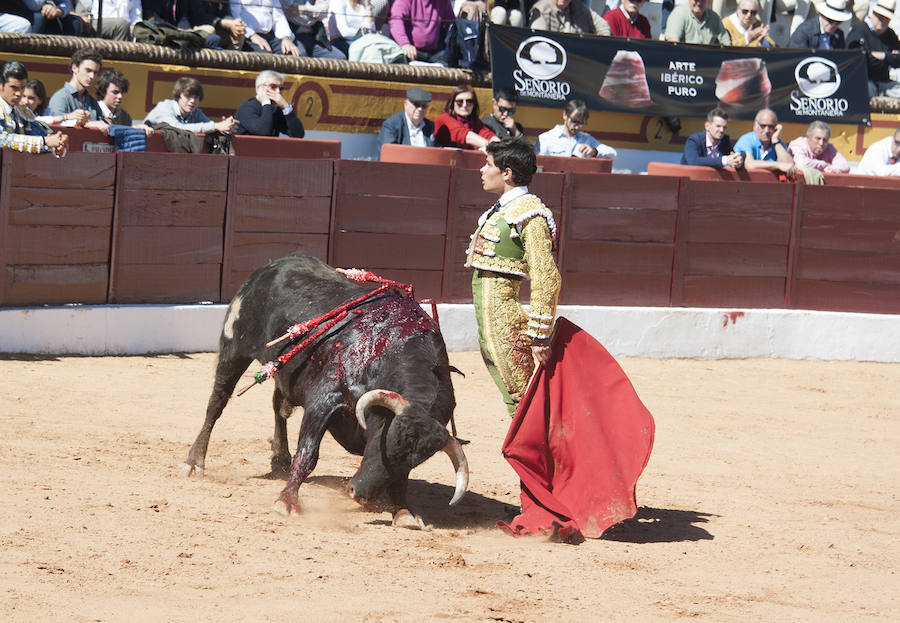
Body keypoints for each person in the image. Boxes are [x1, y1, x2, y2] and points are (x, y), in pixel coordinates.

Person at [464, 138, 560, 416]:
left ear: (507, 173)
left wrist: (540, 336)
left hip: (508, 322)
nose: (482, 170)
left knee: (523, 401)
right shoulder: (503, 210)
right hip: (491, 320)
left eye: (488, 164)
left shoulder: (529, 212)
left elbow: (546, 275)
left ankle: (546, 459)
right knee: (520, 400)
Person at [0, 61, 68, 156]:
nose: (19, 93)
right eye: (14, 88)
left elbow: (40, 135)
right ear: (1, 85)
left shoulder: (22, 111)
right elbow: (2, 139)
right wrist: (44, 141)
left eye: (22, 88)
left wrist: (56, 145)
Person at [47, 47, 109, 135]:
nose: (92, 76)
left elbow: (104, 127)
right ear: (75, 68)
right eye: (88, 70)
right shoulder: (60, 98)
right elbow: (55, 128)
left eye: (95, 72)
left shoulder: (92, 102)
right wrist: (88, 124)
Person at [144, 76, 238, 133]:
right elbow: (177, 128)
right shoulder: (165, 107)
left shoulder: (196, 112)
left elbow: (208, 126)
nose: (192, 101)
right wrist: (216, 126)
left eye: (196, 97)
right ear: (178, 96)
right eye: (188, 96)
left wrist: (226, 127)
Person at [847, 0, 900, 98]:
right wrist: (890, 57)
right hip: (864, 81)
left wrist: (883, 56)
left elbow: (898, 60)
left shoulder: (890, 34)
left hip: (885, 82)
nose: (883, 21)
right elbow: (861, 60)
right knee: (865, 90)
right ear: (874, 13)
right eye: (880, 16)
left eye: (886, 18)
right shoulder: (858, 31)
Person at [143, 0, 245, 49]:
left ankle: (228, 68)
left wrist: (233, 23)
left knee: (238, 32)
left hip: (190, 29)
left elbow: (184, 18)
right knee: (211, 34)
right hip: (164, 32)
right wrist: (179, 31)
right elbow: (153, 18)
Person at [535, 99, 616, 159]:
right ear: (565, 115)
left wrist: (595, 151)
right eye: (574, 121)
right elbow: (539, 167)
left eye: (581, 123)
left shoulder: (587, 139)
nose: (577, 127)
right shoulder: (545, 138)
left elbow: (613, 154)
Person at [235, 70, 305, 138]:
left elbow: (298, 134)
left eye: (281, 88)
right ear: (260, 88)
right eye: (273, 87)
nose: (278, 92)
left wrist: (286, 107)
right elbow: (263, 132)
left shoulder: (276, 110)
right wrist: (266, 102)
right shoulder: (247, 108)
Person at [733, 108, 797, 177]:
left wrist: (775, 141)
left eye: (771, 127)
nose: (766, 130)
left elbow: (789, 165)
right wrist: (778, 165)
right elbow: (749, 164)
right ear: (755, 126)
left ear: (776, 128)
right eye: (763, 126)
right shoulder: (746, 139)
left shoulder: (779, 143)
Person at [389, 0, 455, 64]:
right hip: (411, 51)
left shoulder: (444, 1)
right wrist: (405, 44)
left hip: (435, 52)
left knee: (451, 66)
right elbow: (395, 21)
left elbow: (452, 24)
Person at [434, 84, 498, 149]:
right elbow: (462, 135)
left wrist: (501, 147)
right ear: (452, 103)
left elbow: (488, 135)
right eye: (460, 102)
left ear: (474, 104)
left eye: (469, 101)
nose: (464, 105)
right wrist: (489, 147)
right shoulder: (444, 118)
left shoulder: (475, 122)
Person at [230, 0, 300, 55]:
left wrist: (286, 38)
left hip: (271, 36)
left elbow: (279, 18)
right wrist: (252, 35)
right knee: (265, 57)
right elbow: (235, 16)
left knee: (293, 54)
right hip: (247, 37)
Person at [282, 0, 347, 59]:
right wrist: (315, 12)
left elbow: (324, 11)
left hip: (316, 38)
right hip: (295, 38)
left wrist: (305, 9)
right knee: (300, 57)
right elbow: (293, 15)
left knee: (340, 57)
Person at [528, 0, 611, 36]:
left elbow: (603, 26)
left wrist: (599, 46)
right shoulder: (541, 10)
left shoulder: (579, 8)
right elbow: (538, 40)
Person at [664, 0, 731, 45]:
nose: (699, 3)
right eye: (696, 0)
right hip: (684, 60)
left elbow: (726, 43)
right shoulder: (678, 14)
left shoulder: (714, 17)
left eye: (703, 0)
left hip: (707, 61)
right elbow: (673, 43)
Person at [71, 0, 140, 41]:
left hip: (125, 28)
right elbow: (81, 8)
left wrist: (134, 27)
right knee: (121, 25)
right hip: (94, 22)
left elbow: (136, 18)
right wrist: (83, 16)